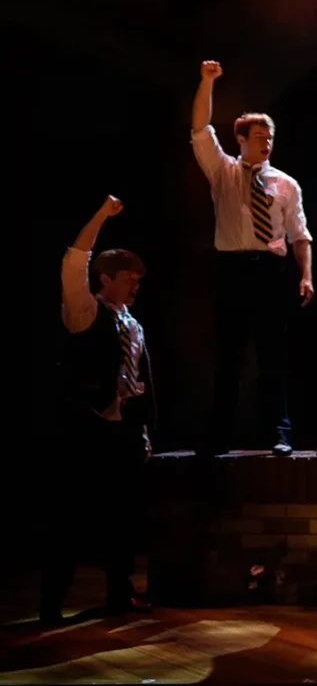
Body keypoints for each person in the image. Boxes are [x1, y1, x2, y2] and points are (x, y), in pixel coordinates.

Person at [42, 196, 156, 624]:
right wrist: (101, 216)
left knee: (124, 518)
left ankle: (118, 596)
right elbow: (74, 260)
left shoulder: (133, 322)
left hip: (123, 431)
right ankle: (52, 602)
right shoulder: (84, 310)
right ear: (105, 279)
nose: (136, 287)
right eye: (129, 279)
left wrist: (142, 430)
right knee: (70, 518)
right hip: (86, 428)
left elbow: (137, 381)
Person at [191, 60, 314, 457]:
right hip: (231, 269)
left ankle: (278, 433)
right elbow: (199, 130)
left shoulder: (285, 184)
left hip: (270, 271)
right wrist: (207, 83)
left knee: (272, 357)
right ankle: (219, 436)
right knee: (229, 356)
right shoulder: (223, 172)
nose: (265, 142)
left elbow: (300, 235)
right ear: (241, 139)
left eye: (270, 137)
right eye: (258, 136)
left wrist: (305, 276)